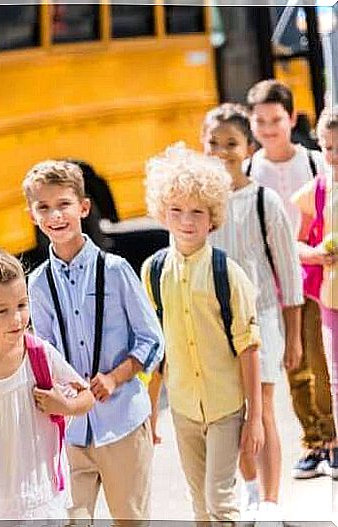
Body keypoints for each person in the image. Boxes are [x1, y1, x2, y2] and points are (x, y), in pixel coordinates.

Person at [23, 160, 164, 521]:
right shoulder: (38, 284)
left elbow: (151, 340)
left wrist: (115, 377)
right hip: (71, 433)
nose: (55, 215)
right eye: (44, 207)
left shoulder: (115, 271)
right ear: (32, 215)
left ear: (83, 208)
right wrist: (62, 396)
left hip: (123, 424)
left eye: (63, 205)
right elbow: (45, 354)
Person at [141, 144, 264, 522]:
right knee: (198, 503)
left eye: (197, 212)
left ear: (212, 216)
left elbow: (249, 348)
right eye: (176, 210)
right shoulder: (153, 271)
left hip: (226, 408)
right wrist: (151, 411)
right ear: (163, 213)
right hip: (183, 410)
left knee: (219, 500)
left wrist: (254, 417)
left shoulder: (228, 274)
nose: (186, 221)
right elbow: (155, 350)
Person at [203, 103, 305, 519]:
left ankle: (270, 501)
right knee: (233, 415)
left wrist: (294, 336)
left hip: (261, 320)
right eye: (214, 142)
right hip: (215, 323)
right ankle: (247, 491)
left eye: (231, 143)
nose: (222, 151)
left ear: (248, 148)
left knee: (260, 411)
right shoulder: (201, 205)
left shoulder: (264, 201)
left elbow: (289, 274)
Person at [0, 245, 95, 520]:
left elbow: (86, 397)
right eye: (2, 311)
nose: (17, 319)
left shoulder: (41, 356)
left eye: (22, 305)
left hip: (39, 501)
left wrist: (65, 405)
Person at [247, 79, 335, 493]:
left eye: (276, 120)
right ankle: (314, 441)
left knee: (318, 360)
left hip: (312, 276)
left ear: (291, 119)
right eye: (260, 121)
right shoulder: (250, 170)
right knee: (292, 364)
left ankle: (331, 437)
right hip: (269, 280)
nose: (268, 129)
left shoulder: (316, 163)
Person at [291, 106, 338, 480]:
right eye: (328, 148)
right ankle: (334, 443)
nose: (334, 156)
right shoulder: (317, 190)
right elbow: (297, 244)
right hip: (330, 297)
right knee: (332, 373)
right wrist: (319, 254)